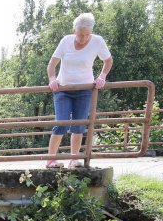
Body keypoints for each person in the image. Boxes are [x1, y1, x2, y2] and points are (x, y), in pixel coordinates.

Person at [46, 12, 113, 168]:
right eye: (80, 34)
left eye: (86, 35)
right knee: (61, 123)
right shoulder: (66, 41)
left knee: (79, 125)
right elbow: (51, 65)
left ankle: (74, 159)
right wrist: (52, 79)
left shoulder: (98, 41)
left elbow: (108, 60)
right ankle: (50, 160)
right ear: (73, 31)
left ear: (91, 32)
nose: (83, 38)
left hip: (84, 89)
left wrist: (102, 76)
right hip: (63, 89)